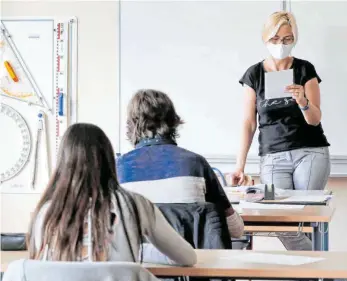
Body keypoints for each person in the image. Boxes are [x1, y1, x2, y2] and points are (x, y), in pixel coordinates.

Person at [26, 123, 197, 265]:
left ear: (62, 163)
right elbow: (187, 258)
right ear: (108, 159)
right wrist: (139, 247)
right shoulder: (135, 205)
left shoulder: (44, 214)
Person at [232, 11, 330, 250]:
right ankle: (316, 266)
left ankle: (313, 270)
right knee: (279, 220)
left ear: (294, 39)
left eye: (287, 39)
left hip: (310, 152)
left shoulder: (305, 70)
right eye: (275, 40)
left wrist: (303, 101)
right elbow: (248, 123)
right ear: (266, 39)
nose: (281, 45)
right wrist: (239, 166)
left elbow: (315, 119)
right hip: (272, 157)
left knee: (306, 216)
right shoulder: (254, 74)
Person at [116, 89, 244, 239]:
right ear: (173, 121)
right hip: (195, 261)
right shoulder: (196, 164)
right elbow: (236, 230)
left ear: (131, 125)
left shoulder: (117, 169)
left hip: (139, 261)